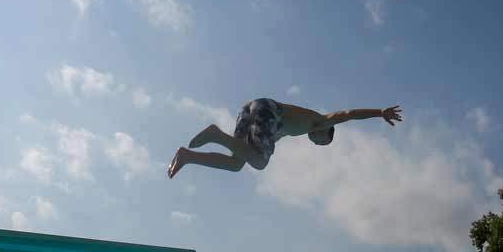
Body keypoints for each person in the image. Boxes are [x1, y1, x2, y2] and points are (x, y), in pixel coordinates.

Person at [167, 99, 402, 178]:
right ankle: (216, 134)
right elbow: (348, 115)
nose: (316, 142)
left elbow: (266, 140)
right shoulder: (320, 120)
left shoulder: (292, 127)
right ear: (326, 130)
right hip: (268, 109)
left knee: (237, 163)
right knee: (260, 163)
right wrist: (379, 113)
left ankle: (187, 156)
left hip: (252, 108)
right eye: (322, 141)